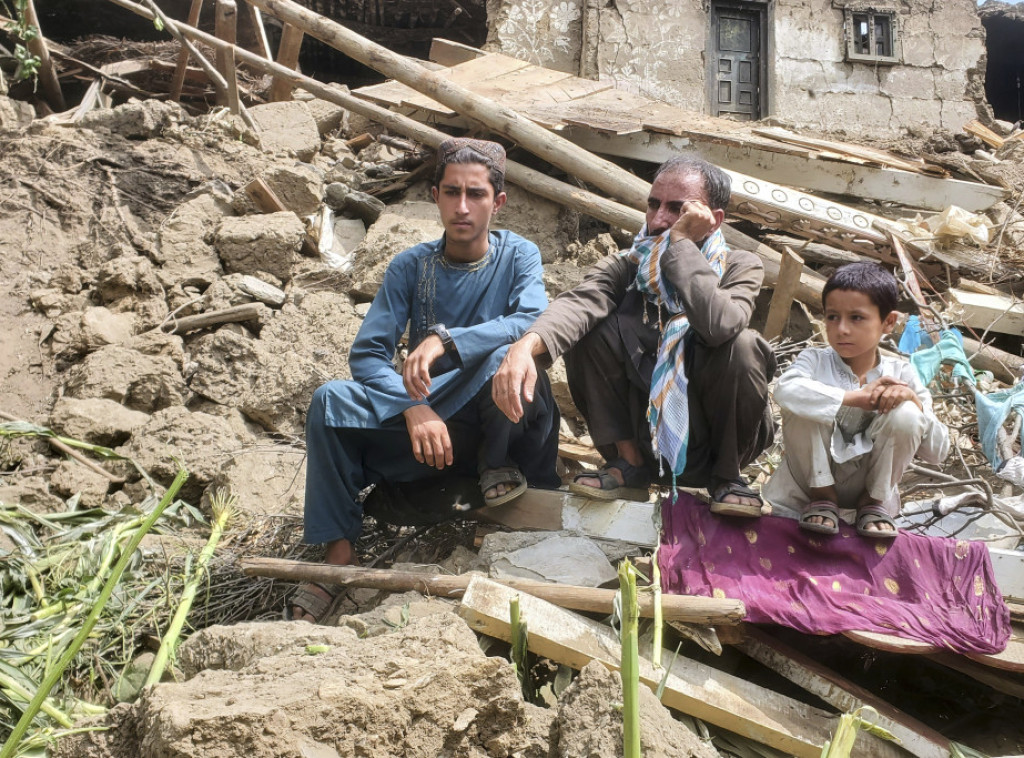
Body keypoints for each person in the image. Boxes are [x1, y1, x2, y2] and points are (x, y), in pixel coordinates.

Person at [292, 138, 561, 622]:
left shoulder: (518, 254)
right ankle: (337, 555)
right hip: (434, 424)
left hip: (500, 417)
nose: (462, 207)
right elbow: (370, 354)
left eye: (475, 194)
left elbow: (531, 317)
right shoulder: (411, 266)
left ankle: (497, 468)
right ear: (434, 195)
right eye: (452, 192)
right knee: (329, 401)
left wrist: (445, 340)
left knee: (512, 353)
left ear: (496, 202)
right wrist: (410, 408)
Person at [492, 157, 776, 515]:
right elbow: (577, 304)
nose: (658, 220)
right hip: (645, 438)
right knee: (589, 326)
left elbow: (721, 325)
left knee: (744, 345)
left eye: (677, 209)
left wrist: (681, 245)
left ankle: (728, 478)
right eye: (654, 204)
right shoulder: (627, 265)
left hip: (714, 436)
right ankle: (628, 464)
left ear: (713, 219)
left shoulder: (740, 265)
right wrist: (525, 347)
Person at [762, 262, 950, 538]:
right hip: (805, 491)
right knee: (801, 401)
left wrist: (913, 401)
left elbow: (938, 453)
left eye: (857, 318)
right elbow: (785, 391)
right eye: (832, 317)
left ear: (888, 322)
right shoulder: (814, 360)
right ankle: (822, 495)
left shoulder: (901, 373)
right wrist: (854, 398)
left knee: (907, 413)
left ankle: (872, 503)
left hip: (868, 494)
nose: (842, 329)